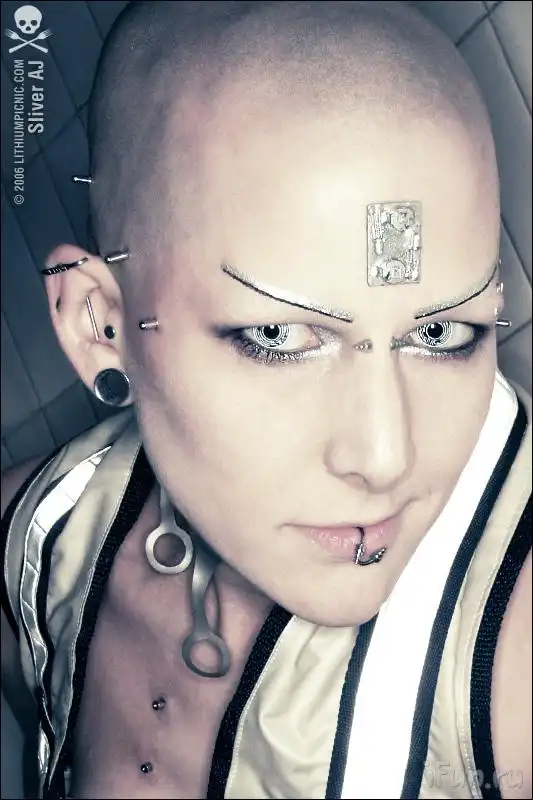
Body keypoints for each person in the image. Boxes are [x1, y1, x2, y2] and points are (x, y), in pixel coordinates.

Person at [1, 2, 531, 799]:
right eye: (279, 337)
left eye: (441, 333)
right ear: (101, 325)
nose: (384, 457)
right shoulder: (34, 541)